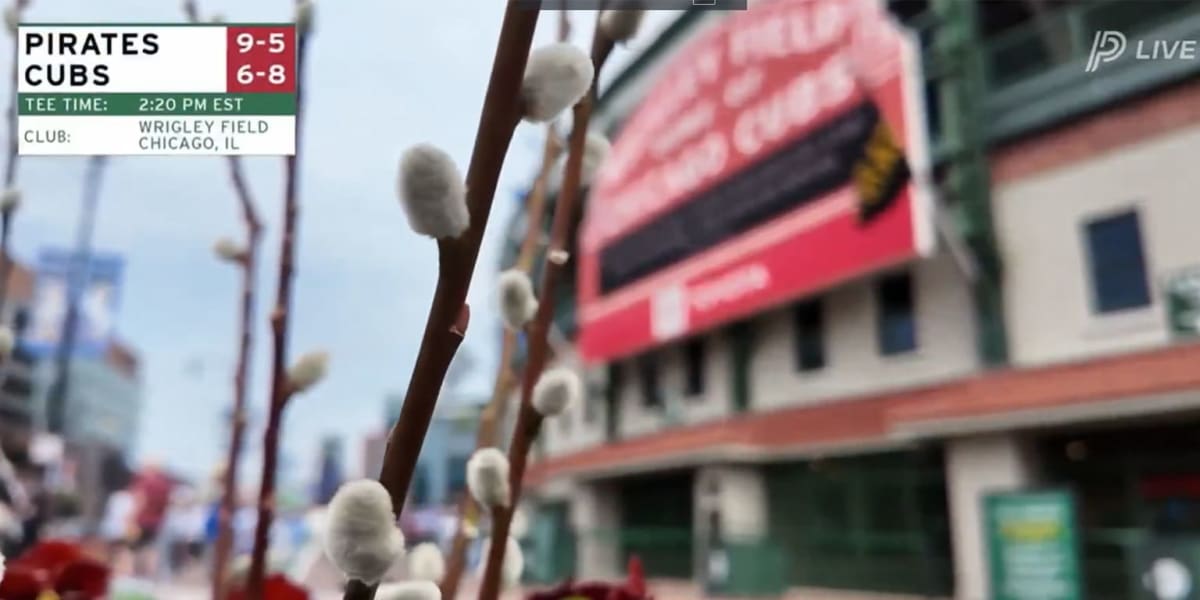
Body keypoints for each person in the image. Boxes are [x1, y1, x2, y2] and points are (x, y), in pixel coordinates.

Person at [129, 461, 175, 578]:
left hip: (142, 520)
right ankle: (149, 577)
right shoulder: (165, 485)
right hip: (157, 522)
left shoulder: (144, 482)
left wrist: (131, 517)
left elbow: (140, 500)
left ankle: (136, 576)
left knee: (135, 549)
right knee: (151, 549)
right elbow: (169, 503)